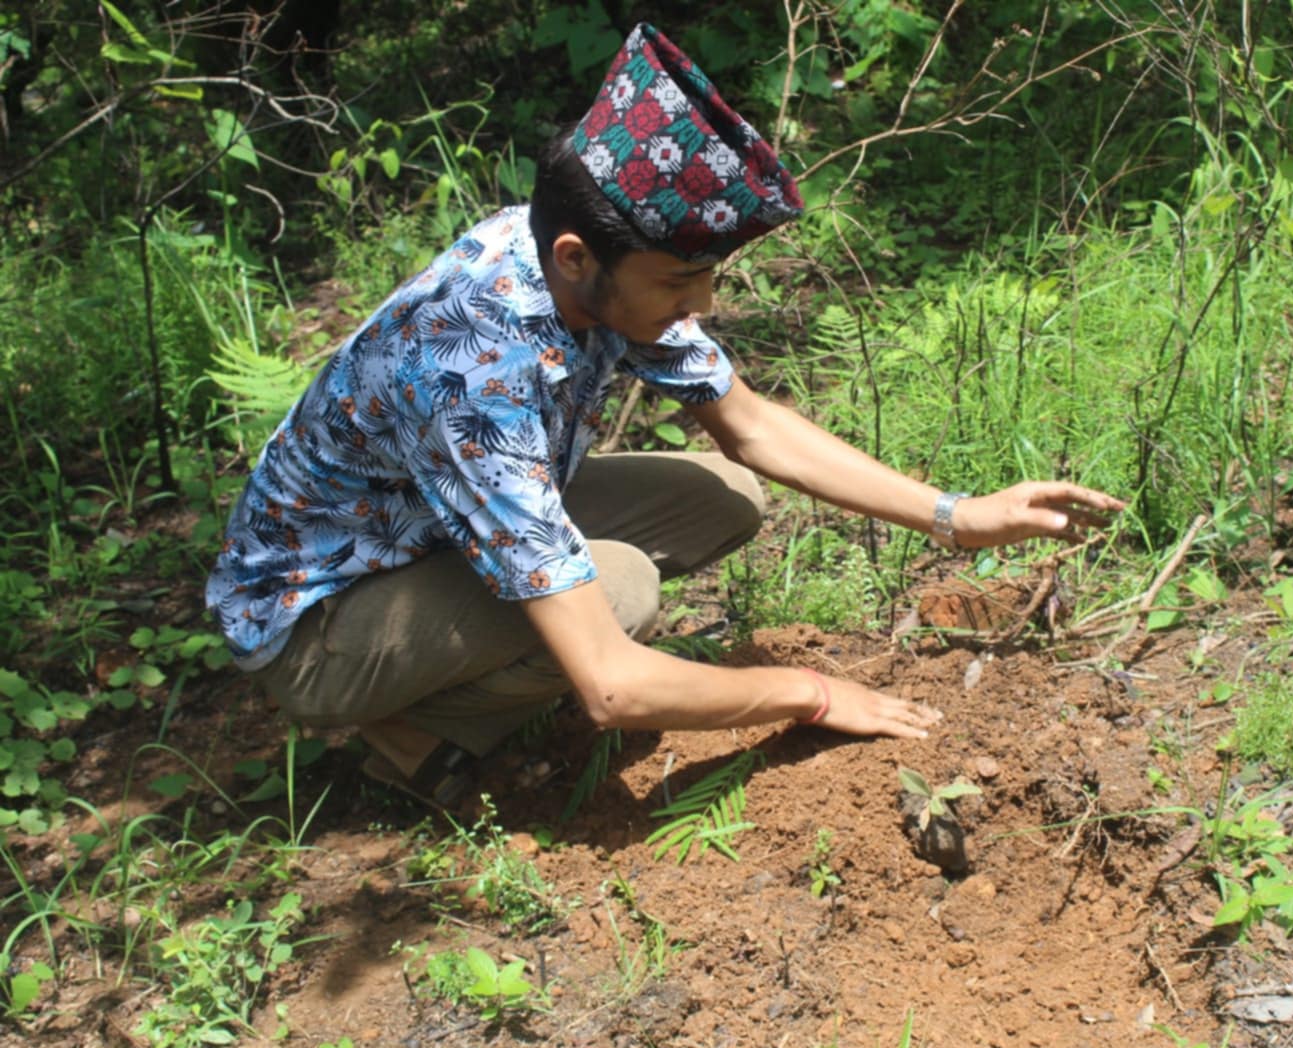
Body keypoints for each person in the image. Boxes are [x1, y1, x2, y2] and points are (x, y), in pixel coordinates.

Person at [205, 24, 1125, 807]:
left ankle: (489, 657)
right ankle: (401, 730)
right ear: (576, 256)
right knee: (619, 592)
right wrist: (805, 694)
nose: (705, 301)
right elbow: (609, 690)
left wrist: (958, 516)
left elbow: (752, 428)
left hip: (425, 538)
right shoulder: (469, 364)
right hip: (321, 622)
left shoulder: (584, 266)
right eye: (683, 278)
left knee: (720, 496)